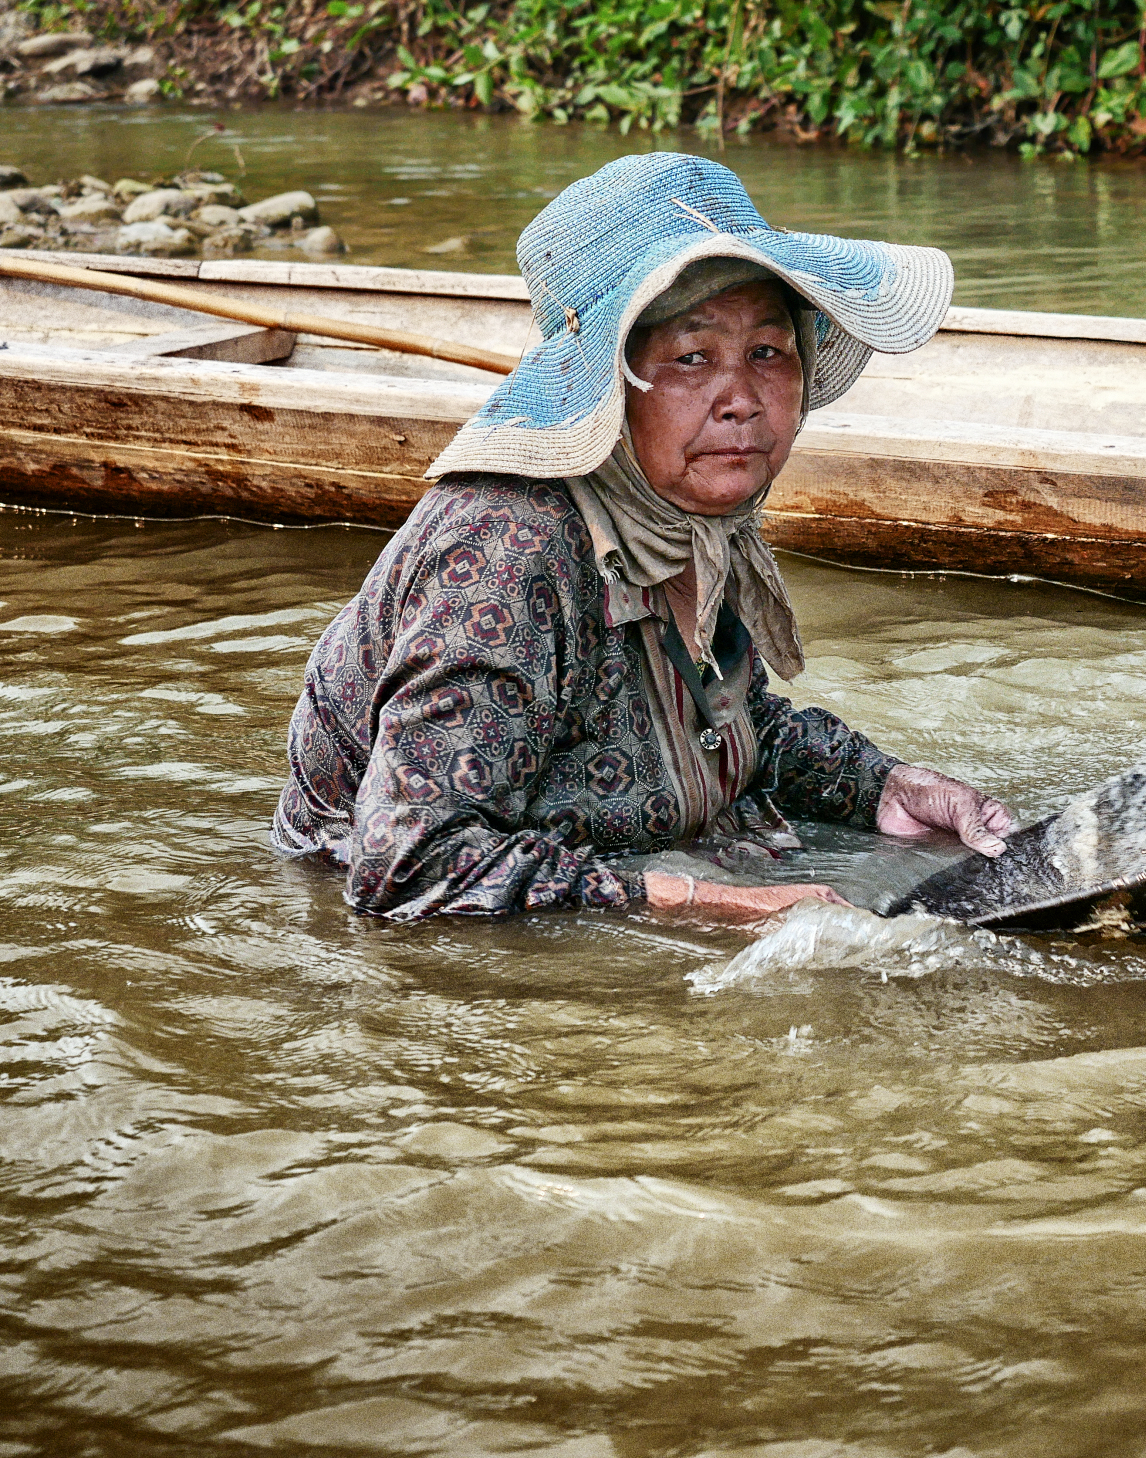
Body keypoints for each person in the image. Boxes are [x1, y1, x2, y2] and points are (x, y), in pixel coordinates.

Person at [273, 153, 1012, 924]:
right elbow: (407, 867)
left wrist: (884, 787)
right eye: (693, 359)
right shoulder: (506, 549)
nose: (742, 401)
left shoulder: (692, 518)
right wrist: (702, 902)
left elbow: (728, 724)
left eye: (768, 352)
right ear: (611, 386)